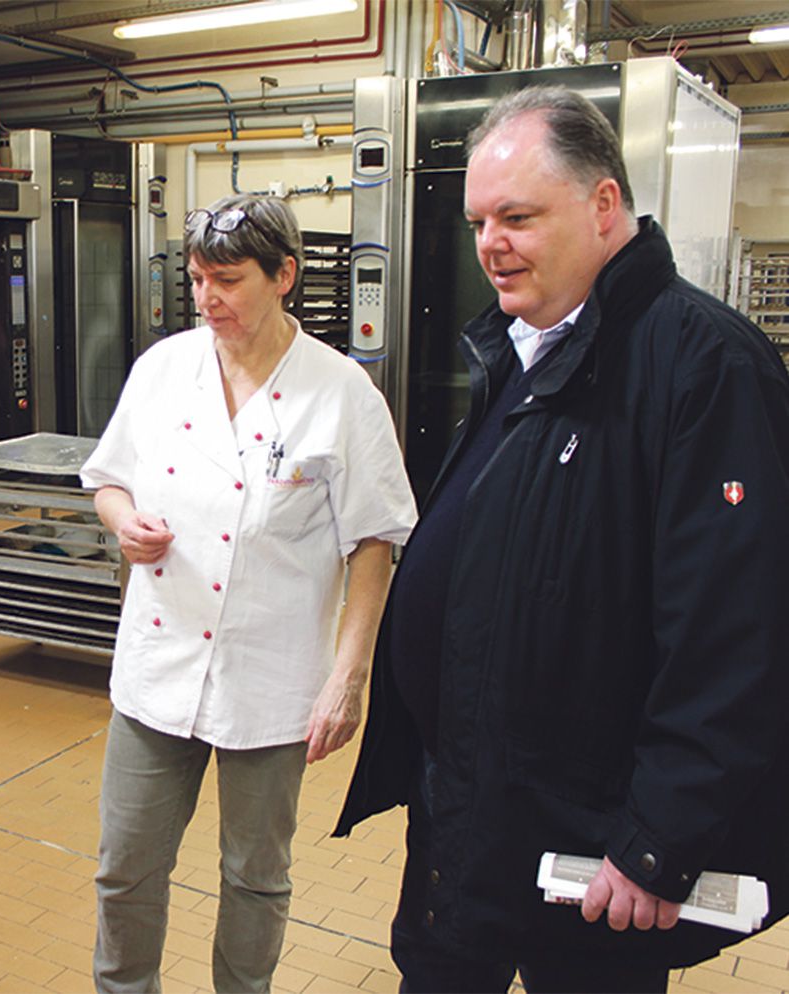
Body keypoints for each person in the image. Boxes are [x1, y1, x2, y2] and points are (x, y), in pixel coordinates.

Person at [335, 86, 789, 993]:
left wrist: (660, 841)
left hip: (592, 850)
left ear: (604, 205)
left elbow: (733, 636)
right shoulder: (526, 349)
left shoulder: (704, 366)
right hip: (471, 811)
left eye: (518, 216)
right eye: (477, 221)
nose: (489, 243)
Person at [82, 193, 417, 993]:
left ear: (285, 277)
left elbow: (376, 537)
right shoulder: (164, 369)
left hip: (272, 676)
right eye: (197, 280)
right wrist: (125, 522)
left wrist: (349, 675)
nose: (207, 299)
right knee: (125, 868)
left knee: (254, 875)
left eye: (227, 280)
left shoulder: (340, 393)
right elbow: (108, 479)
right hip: (159, 663)